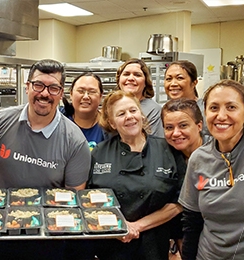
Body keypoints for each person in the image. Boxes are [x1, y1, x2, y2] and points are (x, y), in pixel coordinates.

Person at [0, 59, 91, 259]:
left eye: (53, 88)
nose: (45, 93)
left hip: (46, 239)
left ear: (61, 93)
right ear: (27, 87)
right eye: (38, 85)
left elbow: (73, 197)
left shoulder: (75, 140)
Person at [179, 79, 244, 260]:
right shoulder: (198, 158)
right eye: (213, 108)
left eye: (231, 107)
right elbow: (192, 222)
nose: (221, 116)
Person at [87, 90, 186, 260]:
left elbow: (180, 201)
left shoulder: (167, 150)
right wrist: (117, 226)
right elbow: (87, 199)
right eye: (121, 113)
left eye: (133, 110)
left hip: (153, 245)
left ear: (141, 113)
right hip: (111, 244)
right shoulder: (99, 152)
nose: (129, 117)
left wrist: (137, 226)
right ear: (112, 122)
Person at [161, 98, 207, 258]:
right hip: (181, 232)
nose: (176, 133)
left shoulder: (216, 154)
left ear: (199, 125)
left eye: (183, 125)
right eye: (169, 127)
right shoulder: (166, 156)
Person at [116, 58, 164, 137]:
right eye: (126, 74)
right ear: (119, 80)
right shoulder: (111, 106)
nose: (131, 78)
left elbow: (155, 145)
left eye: (137, 75)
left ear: (146, 82)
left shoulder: (154, 111)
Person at [164, 60, 210, 138]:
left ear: (194, 83)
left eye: (179, 78)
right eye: (169, 79)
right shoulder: (165, 111)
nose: (173, 84)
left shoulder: (206, 110)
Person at [62, 71, 105, 149]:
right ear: (71, 94)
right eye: (81, 91)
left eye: (92, 92)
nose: (85, 97)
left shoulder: (109, 126)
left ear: (100, 96)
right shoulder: (58, 120)